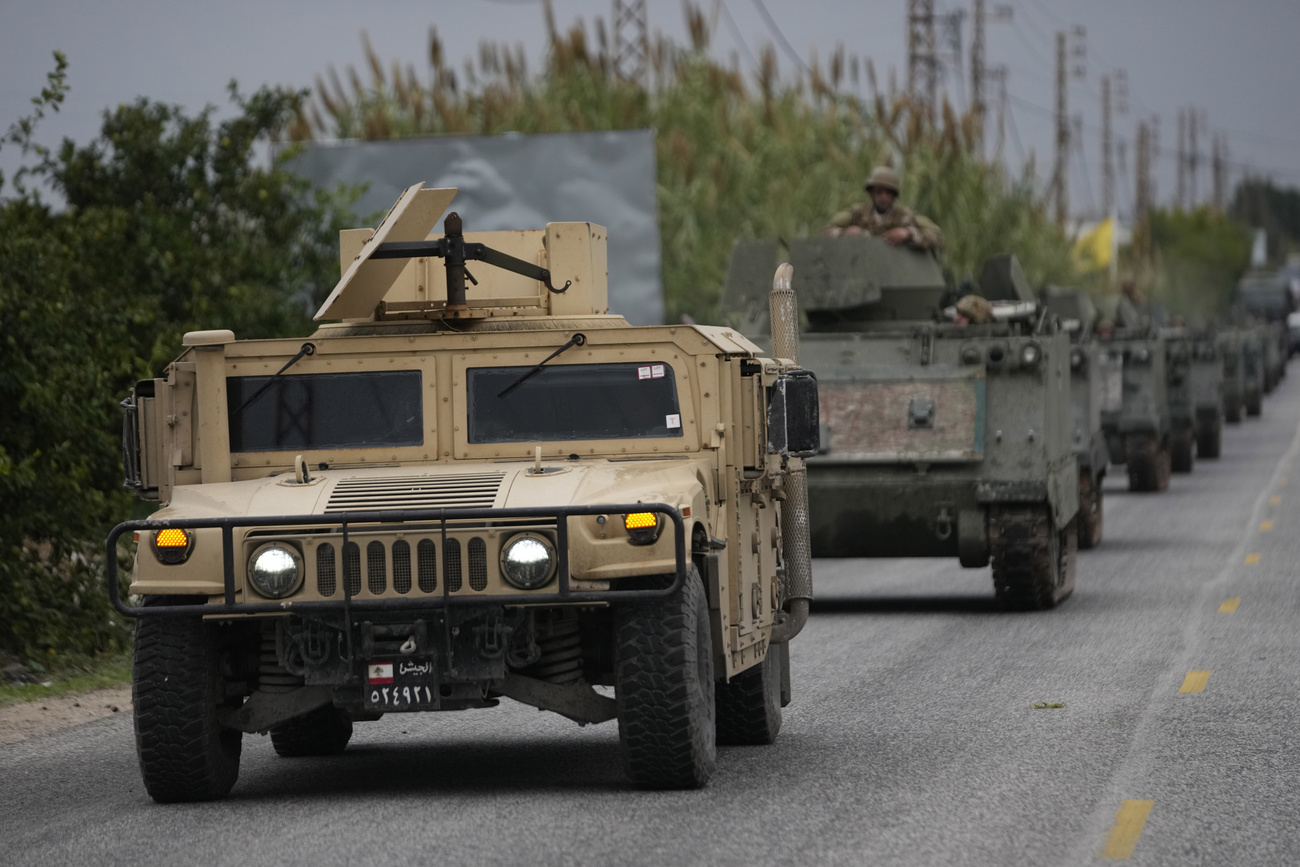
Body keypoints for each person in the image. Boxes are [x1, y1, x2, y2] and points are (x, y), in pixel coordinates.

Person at [823, 166, 944, 252]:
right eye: (879, 192)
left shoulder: (906, 217)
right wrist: (844, 233)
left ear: (894, 196)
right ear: (871, 194)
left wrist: (908, 233)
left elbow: (937, 236)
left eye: (888, 193)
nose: (883, 197)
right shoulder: (857, 214)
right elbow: (825, 232)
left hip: (898, 275)